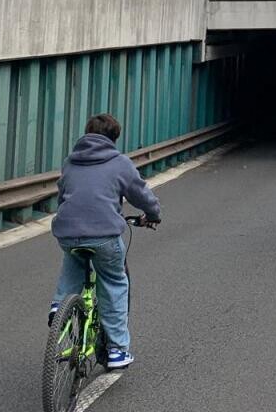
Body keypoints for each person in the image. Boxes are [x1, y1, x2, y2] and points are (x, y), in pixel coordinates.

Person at [51, 113, 161, 370]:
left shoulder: (70, 162)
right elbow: (141, 194)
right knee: (114, 282)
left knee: (73, 258)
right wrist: (154, 215)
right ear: (114, 137)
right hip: (103, 236)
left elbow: (63, 195)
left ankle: (58, 307)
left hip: (67, 231)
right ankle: (117, 351)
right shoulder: (119, 162)